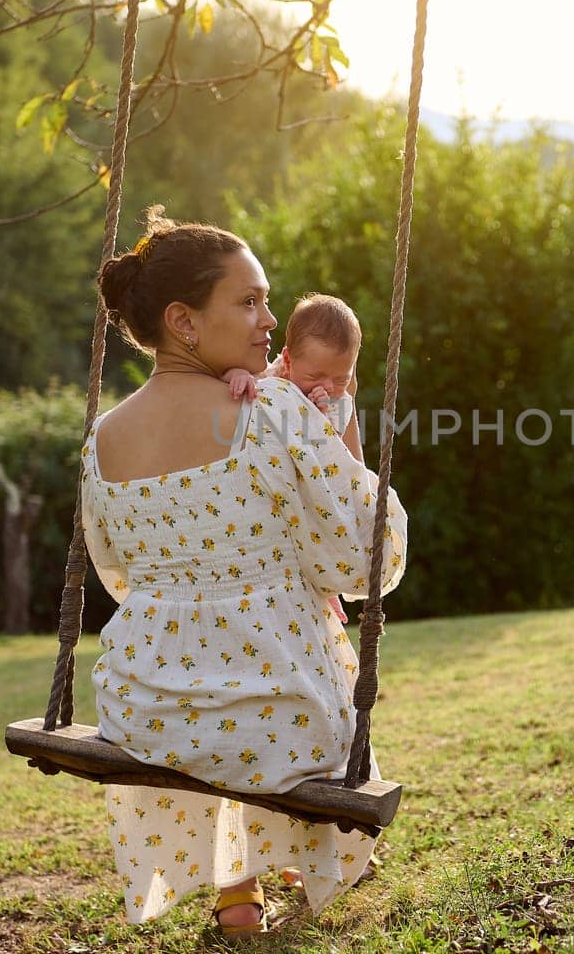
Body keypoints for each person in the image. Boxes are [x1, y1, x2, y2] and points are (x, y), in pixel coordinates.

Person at [82, 209, 409, 935]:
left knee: (228, 698)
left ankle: (237, 889)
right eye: (249, 301)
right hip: (279, 710)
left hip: (144, 707)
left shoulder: (101, 438)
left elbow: (118, 579)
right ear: (184, 321)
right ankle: (293, 860)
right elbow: (367, 560)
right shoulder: (276, 409)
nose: (269, 321)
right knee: (280, 687)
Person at [222, 292, 364, 627]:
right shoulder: (271, 379)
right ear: (287, 359)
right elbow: (238, 390)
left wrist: (321, 413)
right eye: (316, 377)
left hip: (311, 495)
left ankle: (327, 588)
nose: (328, 386)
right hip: (265, 500)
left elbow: (341, 462)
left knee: (321, 533)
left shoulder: (338, 400)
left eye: (341, 378)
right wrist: (237, 376)